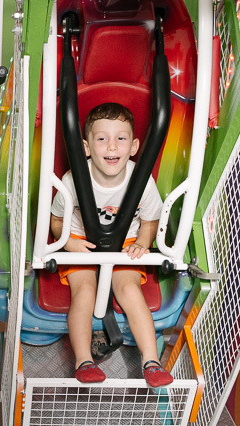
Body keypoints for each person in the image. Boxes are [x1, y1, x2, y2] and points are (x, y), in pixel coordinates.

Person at [49, 102, 173, 387]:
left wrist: (142, 242)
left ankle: (151, 362)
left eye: (121, 138)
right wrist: (68, 243)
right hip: (81, 241)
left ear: (134, 146)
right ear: (87, 147)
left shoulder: (141, 180)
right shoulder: (72, 180)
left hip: (125, 242)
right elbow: (56, 221)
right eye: (102, 138)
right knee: (84, 292)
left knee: (129, 289)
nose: (112, 147)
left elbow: (151, 221)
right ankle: (83, 361)